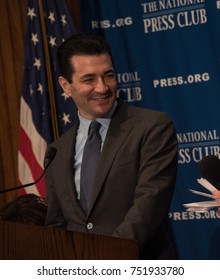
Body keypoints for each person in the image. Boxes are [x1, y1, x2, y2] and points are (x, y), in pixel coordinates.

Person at [44, 33, 178, 259]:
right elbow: (56, 225)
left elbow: (148, 208)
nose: (102, 88)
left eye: (108, 75)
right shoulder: (57, 150)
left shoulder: (152, 127)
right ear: (66, 86)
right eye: (89, 79)